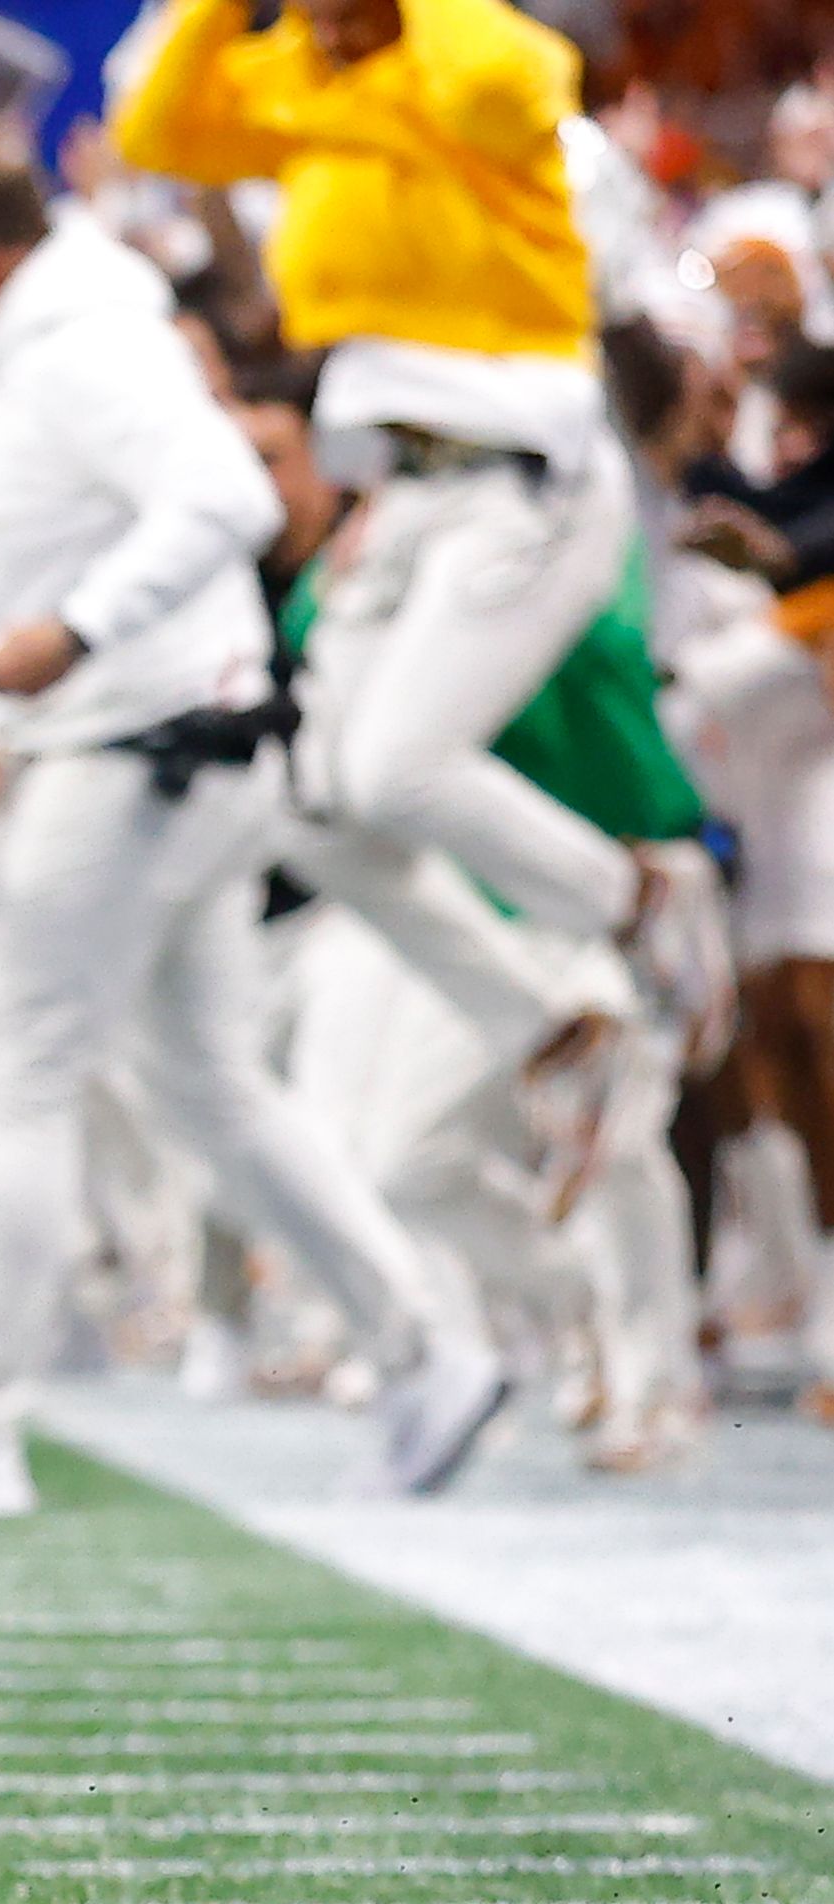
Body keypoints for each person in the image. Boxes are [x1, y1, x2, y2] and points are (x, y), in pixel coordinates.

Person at [0, 158, 502, 1517]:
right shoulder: (51, 339)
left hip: (139, 749)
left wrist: (74, 630)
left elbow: (226, 496)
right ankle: (424, 1352)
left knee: (13, 1067)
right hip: (162, 743)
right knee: (211, 1085)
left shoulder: (75, 348)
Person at [114, 0, 698, 1209]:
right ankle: (552, 1025)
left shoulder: (482, 61)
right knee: (312, 803)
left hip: (523, 474)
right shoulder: (308, 86)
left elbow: (492, 87)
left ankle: (634, 897)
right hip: (403, 484)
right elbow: (157, 130)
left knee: (392, 771)